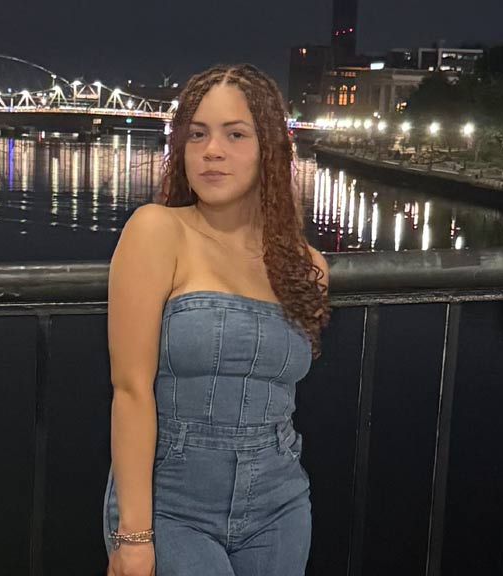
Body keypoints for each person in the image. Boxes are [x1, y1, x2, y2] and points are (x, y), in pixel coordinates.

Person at [103, 63, 331, 576]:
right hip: (173, 503)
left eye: (235, 134)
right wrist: (134, 537)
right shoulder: (158, 231)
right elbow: (131, 389)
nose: (211, 151)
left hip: (280, 503)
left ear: (269, 149)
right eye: (197, 134)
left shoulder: (305, 264)